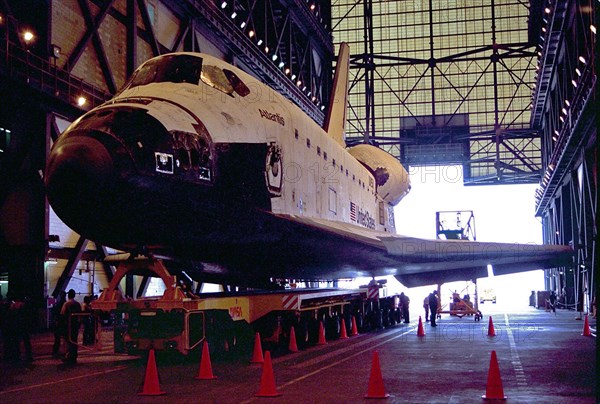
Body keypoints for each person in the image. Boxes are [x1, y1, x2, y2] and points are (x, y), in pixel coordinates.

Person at [61, 289, 81, 364]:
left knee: (67, 341)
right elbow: (80, 315)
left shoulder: (66, 304)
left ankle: (68, 356)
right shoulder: (77, 304)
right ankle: (74, 356)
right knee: (74, 341)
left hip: (67, 325)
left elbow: (62, 314)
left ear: (68, 295)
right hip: (75, 325)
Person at [52, 291, 67, 357]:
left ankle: (55, 352)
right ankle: (64, 351)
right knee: (65, 338)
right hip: (63, 322)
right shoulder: (65, 303)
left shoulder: (58, 303)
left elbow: (55, 312)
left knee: (57, 338)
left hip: (58, 322)